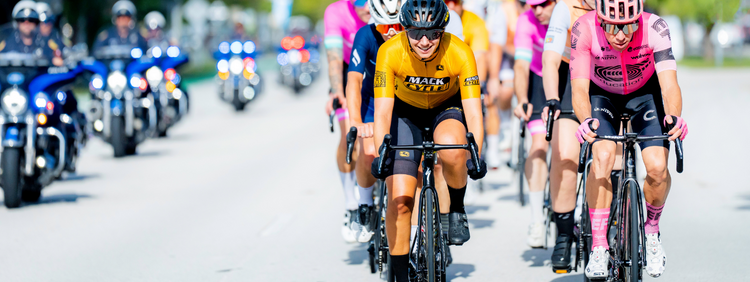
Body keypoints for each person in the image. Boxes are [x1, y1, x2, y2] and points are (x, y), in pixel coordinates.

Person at [570, 0, 687, 278]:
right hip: (603, 95)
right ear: (599, 19)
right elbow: (578, 90)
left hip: (644, 93)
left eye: (629, 26)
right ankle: (599, 246)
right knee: (603, 157)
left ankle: (652, 231)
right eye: (612, 27)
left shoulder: (655, 27)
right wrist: (585, 120)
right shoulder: (583, 28)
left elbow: (669, 84)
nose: (621, 35)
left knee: (657, 167)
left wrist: (675, 116)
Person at [371, 0, 487, 280]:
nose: (424, 41)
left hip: (446, 108)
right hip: (405, 113)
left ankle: (456, 207)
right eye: (416, 34)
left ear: (443, 31)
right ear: (405, 30)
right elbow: (383, 111)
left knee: (452, 148)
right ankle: (399, 274)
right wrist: (380, 154)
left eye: (433, 34)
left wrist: (476, 156)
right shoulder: (390, 51)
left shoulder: (460, 52)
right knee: (400, 200)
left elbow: (474, 112)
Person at [540, 0, 594, 272]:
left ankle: (616, 221)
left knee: (618, 153)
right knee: (565, 155)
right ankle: (564, 234)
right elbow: (550, 60)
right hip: (572, 79)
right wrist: (551, 99)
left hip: (615, 79)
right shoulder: (567, 7)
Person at [346, 0, 404, 243]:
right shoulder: (365, 35)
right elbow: (354, 82)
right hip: (371, 105)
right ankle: (365, 205)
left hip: (403, 103)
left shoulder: (414, 36)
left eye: (397, 27)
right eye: (384, 28)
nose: (391, 32)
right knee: (368, 151)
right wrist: (357, 122)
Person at [323, 0, 370, 243]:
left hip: (376, 68)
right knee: (350, 134)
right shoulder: (336, 12)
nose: (367, 7)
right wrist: (337, 93)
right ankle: (351, 203)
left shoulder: (386, 8)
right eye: (360, 2)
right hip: (346, 68)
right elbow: (333, 59)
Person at [512, 0, 556, 248]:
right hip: (538, 81)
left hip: (570, 78)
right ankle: (536, 218)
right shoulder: (525, 20)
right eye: (532, 5)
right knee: (539, 144)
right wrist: (523, 99)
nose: (537, 10)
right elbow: (520, 65)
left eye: (544, 4)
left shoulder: (569, 13)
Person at [0, 0, 63, 67]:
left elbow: (59, 61)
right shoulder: (6, 44)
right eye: (22, 19)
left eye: (31, 19)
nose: (26, 23)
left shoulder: (47, 44)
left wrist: (54, 60)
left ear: (37, 22)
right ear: (16, 23)